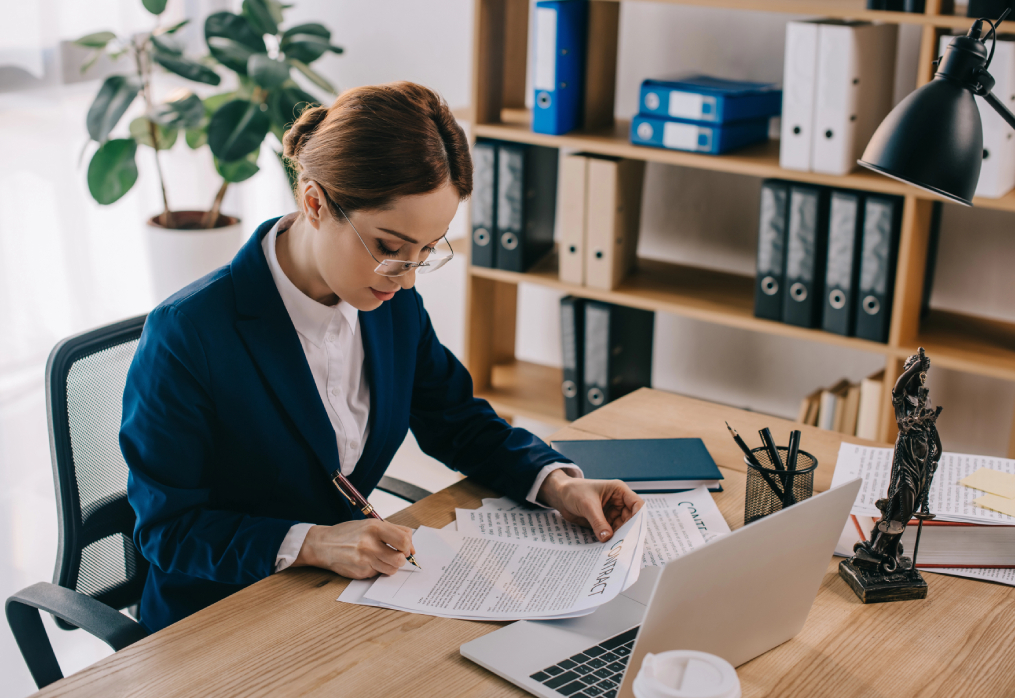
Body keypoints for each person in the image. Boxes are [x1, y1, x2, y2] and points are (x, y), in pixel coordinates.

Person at [120, 81, 644, 633]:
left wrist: (557, 483)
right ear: (315, 202)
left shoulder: (390, 304)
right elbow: (168, 530)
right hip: (217, 621)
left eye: (426, 250)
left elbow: (457, 421)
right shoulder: (188, 334)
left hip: (336, 600)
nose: (407, 277)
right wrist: (315, 543)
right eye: (390, 247)